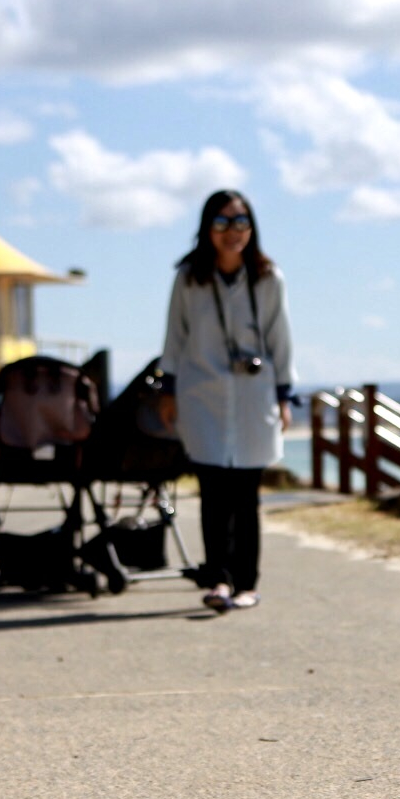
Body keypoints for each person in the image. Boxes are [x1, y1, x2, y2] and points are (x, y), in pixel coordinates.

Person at [161, 190, 295, 613]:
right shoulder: (188, 277)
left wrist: (285, 395)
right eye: (222, 223)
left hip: (255, 396)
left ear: (251, 228)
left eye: (240, 222)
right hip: (201, 394)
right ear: (207, 229)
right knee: (213, 493)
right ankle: (217, 578)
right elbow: (175, 335)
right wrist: (168, 389)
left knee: (245, 496)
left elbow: (280, 339)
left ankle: (246, 584)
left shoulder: (268, 277)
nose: (232, 232)